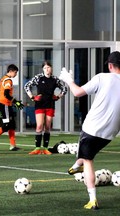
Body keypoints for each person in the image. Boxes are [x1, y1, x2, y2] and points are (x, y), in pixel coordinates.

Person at [59, 51, 120, 210]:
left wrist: (68, 80)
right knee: (88, 151)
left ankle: (92, 199)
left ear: (110, 65)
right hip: (110, 133)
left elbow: (78, 92)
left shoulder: (102, 77)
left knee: (88, 160)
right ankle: (76, 165)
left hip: (92, 128)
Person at [24, 61, 67, 155]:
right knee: (39, 126)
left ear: (51, 68)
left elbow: (65, 89)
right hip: (39, 105)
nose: (47, 69)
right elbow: (27, 86)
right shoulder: (38, 78)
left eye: (48, 67)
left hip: (50, 105)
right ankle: (37, 148)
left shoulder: (55, 79)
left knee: (47, 127)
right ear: (43, 69)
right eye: (45, 68)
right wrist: (32, 96)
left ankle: (45, 148)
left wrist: (58, 96)